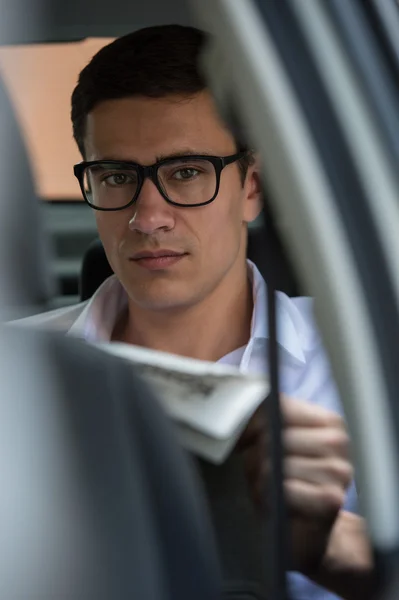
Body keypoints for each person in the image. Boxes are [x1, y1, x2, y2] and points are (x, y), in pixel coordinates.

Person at [16, 25, 373, 599]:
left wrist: (330, 546)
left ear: (250, 187)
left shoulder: (370, 360)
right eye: (117, 177)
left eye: (185, 172)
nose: (147, 216)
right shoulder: (17, 374)